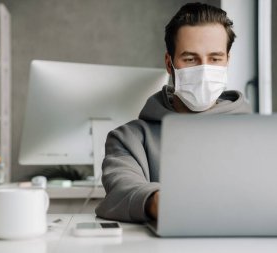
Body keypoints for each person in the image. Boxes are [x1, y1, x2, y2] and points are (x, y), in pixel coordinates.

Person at [95, 2, 252, 223]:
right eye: (190, 59)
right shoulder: (129, 139)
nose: (204, 70)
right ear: (170, 64)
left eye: (215, 59)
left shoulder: (256, 135)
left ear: (227, 61)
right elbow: (122, 190)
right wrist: (157, 201)